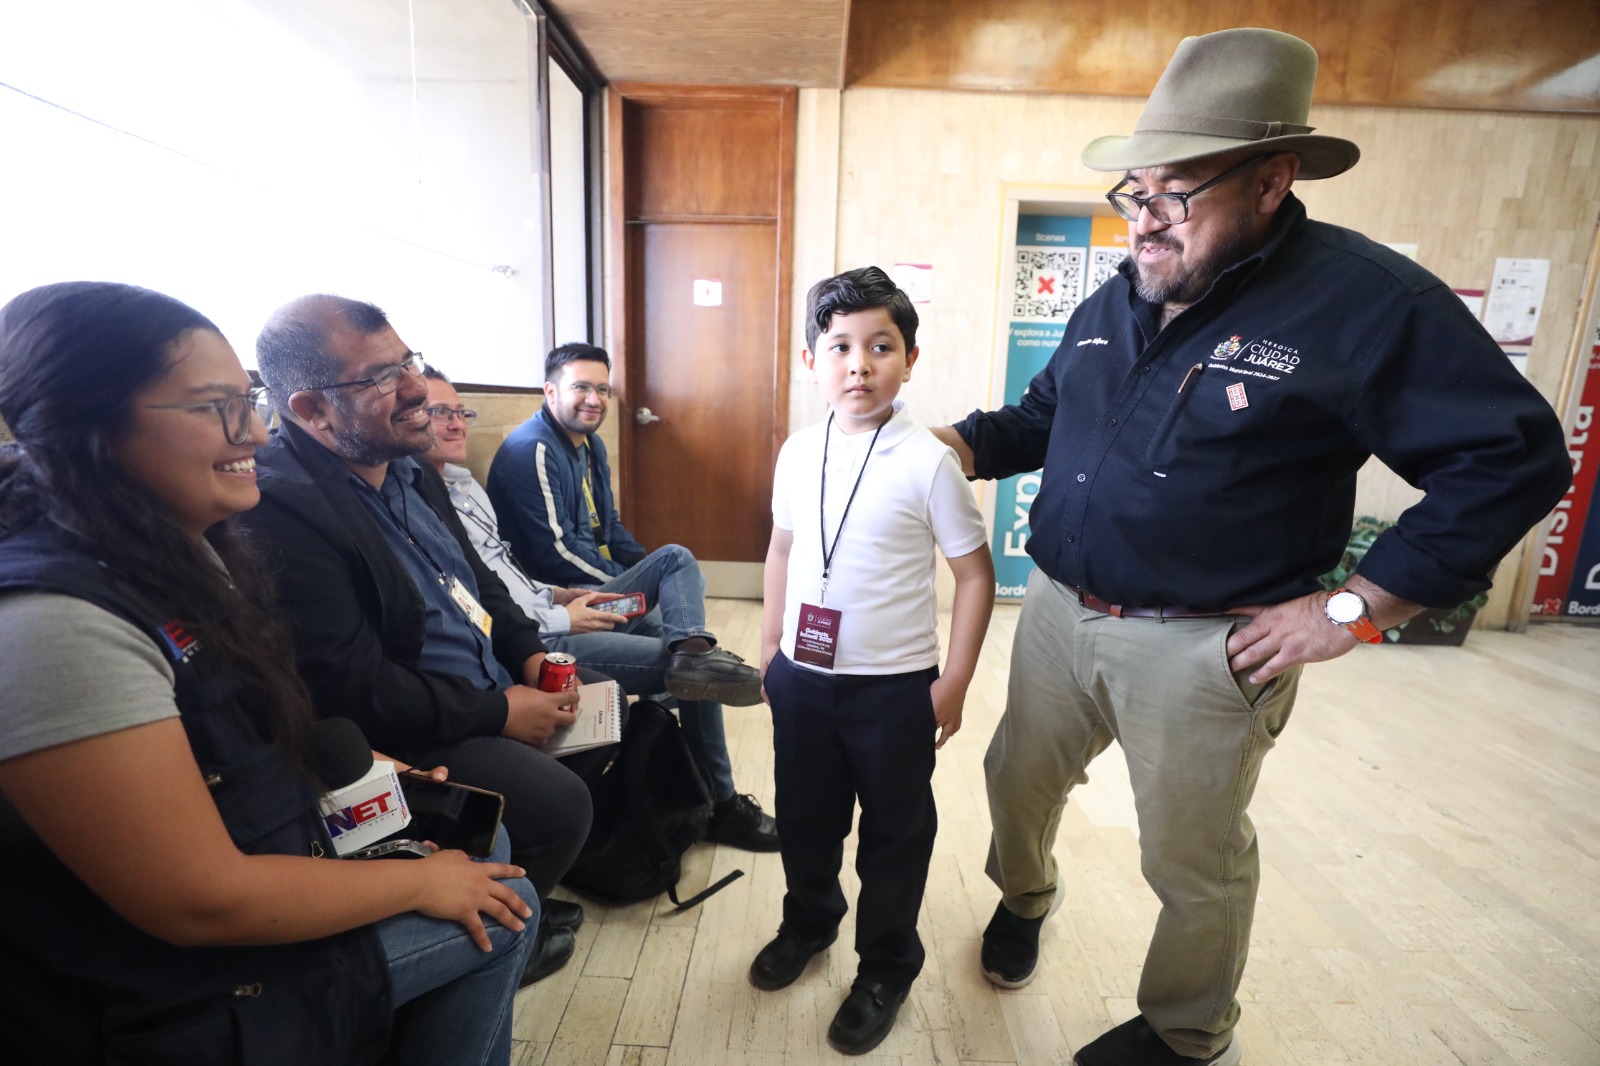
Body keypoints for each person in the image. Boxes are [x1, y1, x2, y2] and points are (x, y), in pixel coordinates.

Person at [928, 28, 1572, 1066]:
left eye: (1173, 194)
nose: (1143, 220)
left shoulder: (1368, 304)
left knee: (1192, 860)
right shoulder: (1124, 289)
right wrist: (952, 447)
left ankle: (1188, 1032)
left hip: (1207, 649)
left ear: (1272, 179)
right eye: (1133, 192)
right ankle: (1026, 896)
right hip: (1054, 613)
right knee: (1016, 784)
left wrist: (1356, 607)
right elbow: (1046, 415)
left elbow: (1513, 458)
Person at [0, 281, 536, 1065]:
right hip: (169, 992)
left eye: (246, 399)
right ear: (89, 429)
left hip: (265, 852)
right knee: (504, 901)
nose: (255, 429)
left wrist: (360, 769)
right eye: (217, 407)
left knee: (483, 839)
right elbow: (197, 901)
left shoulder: (185, 547)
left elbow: (232, 733)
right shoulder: (56, 624)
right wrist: (417, 885)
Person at [242, 295, 595, 986]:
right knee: (560, 805)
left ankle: (520, 894)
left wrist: (527, 655)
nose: (415, 390)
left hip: (483, 683)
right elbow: (354, 685)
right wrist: (500, 712)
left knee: (601, 717)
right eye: (381, 377)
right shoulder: (280, 509)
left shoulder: (408, 465)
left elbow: (479, 583)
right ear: (312, 410)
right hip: (409, 726)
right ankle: (493, 950)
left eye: (409, 362)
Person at [753, 267, 994, 1055]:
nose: (859, 365)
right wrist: (771, 647)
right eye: (840, 347)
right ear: (811, 360)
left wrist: (953, 682)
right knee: (805, 818)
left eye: (880, 347)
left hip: (893, 692)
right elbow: (782, 550)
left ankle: (886, 967)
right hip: (802, 679)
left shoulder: (928, 461)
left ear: (910, 360)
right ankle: (809, 922)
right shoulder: (798, 452)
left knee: (895, 833)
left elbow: (974, 575)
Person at [420, 366, 777, 851]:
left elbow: (507, 570)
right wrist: (564, 613)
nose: (456, 423)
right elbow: (483, 598)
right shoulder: (518, 457)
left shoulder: (465, 484)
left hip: (550, 601)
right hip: (539, 638)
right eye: (439, 412)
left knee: (674, 564)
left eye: (461, 412)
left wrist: (558, 595)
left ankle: (691, 661)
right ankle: (722, 804)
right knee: (691, 672)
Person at [486, 342, 762, 707]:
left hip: (595, 581)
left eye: (603, 389)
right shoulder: (532, 449)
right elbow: (556, 553)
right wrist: (633, 581)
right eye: (581, 387)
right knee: (688, 639)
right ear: (550, 392)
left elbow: (610, 527)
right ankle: (676, 691)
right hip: (568, 594)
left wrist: (644, 572)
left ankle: (685, 686)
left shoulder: (591, 445)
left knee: (693, 648)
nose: (594, 399)